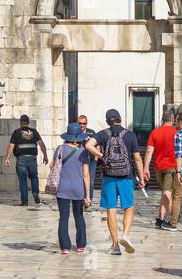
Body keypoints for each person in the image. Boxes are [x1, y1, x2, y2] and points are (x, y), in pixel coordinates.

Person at [87, 109, 146, 255]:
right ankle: (125, 235)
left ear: (107, 121)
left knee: (111, 210)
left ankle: (115, 246)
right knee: (129, 207)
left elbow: (88, 145)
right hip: (126, 177)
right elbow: (137, 158)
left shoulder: (102, 134)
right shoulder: (130, 135)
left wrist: (102, 156)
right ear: (120, 119)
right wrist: (142, 177)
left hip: (109, 177)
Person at [51, 123, 92, 255]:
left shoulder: (59, 149)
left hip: (62, 188)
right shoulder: (83, 152)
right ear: (77, 138)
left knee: (63, 217)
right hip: (78, 189)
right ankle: (81, 245)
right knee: (79, 216)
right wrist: (88, 195)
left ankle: (65, 247)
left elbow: (53, 166)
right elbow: (86, 175)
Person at [144, 108, 181, 231]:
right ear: (172, 119)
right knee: (168, 193)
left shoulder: (155, 132)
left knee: (165, 192)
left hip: (158, 167)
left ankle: (165, 217)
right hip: (171, 166)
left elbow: (149, 152)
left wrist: (145, 168)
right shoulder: (176, 133)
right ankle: (161, 219)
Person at [4, 114, 48, 206]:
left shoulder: (16, 132)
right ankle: (35, 192)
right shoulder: (34, 132)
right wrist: (45, 156)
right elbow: (41, 144)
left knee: (22, 180)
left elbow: (11, 146)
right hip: (32, 158)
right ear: (28, 122)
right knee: (34, 177)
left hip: (21, 159)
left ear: (20, 122)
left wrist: (7, 158)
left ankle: (24, 201)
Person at [77, 113, 98, 195]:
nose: (82, 125)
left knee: (90, 181)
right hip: (79, 160)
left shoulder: (91, 133)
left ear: (87, 123)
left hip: (91, 161)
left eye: (84, 123)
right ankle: (81, 198)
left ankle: (89, 199)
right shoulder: (74, 133)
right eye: (80, 123)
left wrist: (96, 159)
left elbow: (97, 146)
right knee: (80, 180)